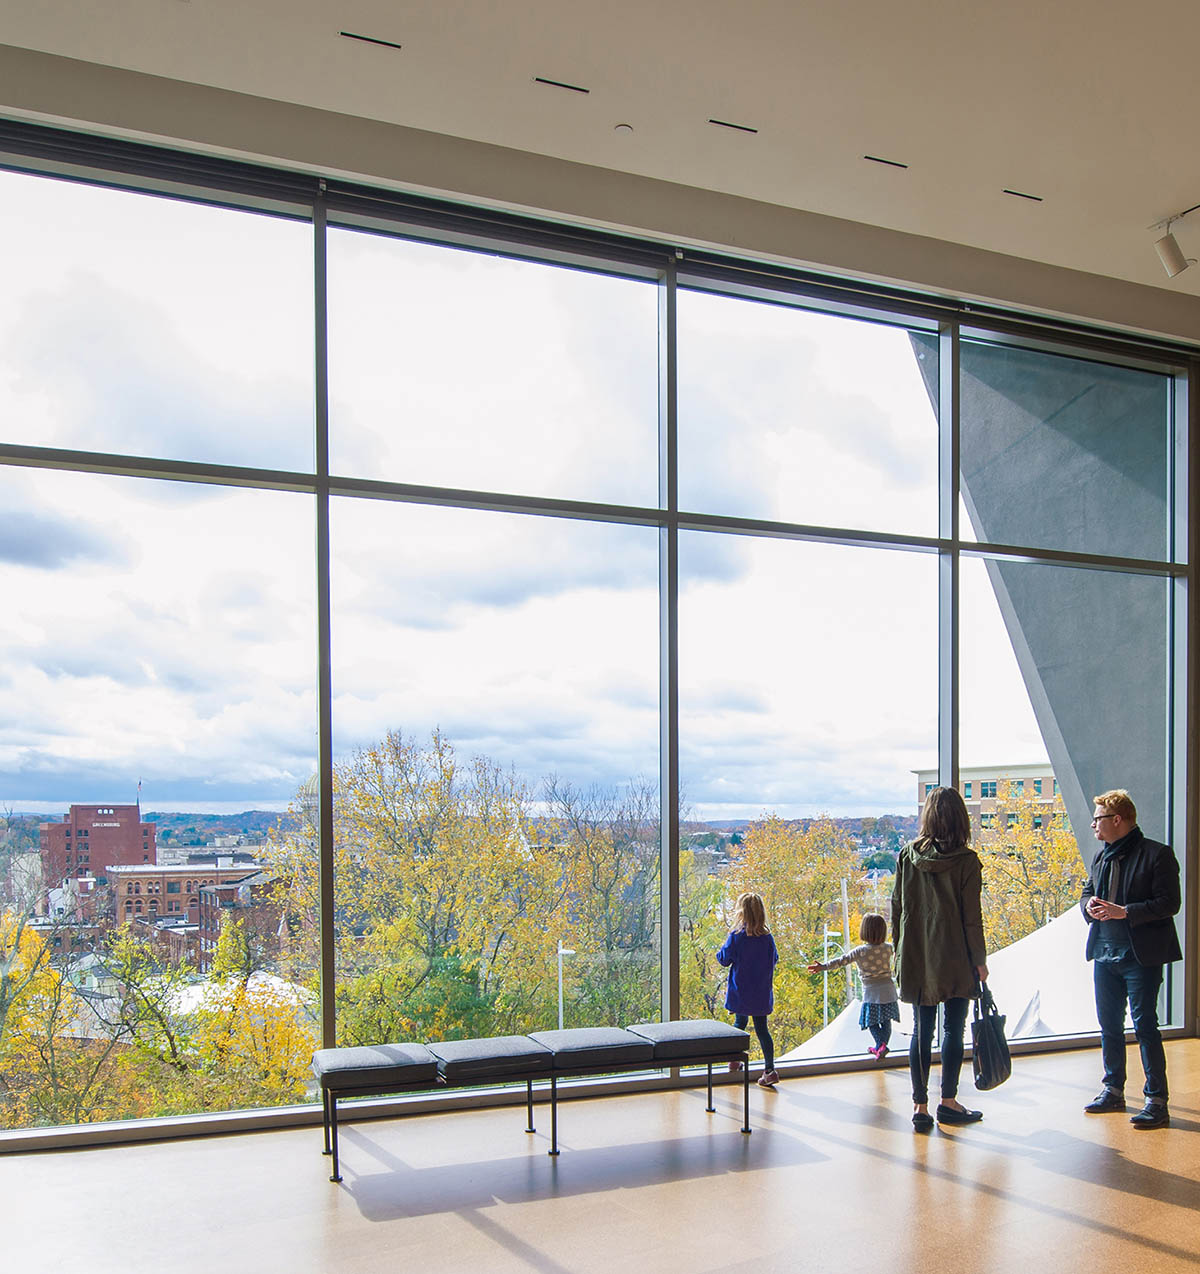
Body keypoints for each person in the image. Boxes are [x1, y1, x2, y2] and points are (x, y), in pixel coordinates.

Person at [1080, 788, 1181, 1129]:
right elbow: (1086, 891)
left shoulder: (1158, 855)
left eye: (1098, 819)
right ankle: (1113, 1089)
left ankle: (1156, 1099)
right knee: (1109, 1026)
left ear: (1117, 820)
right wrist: (1089, 906)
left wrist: (1125, 912)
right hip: (1104, 953)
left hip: (1141, 956)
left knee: (1145, 1026)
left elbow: (1170, 903)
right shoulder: (1100, 856)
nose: (1094, 826)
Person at [891, 785, 988, 1131]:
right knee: (953, 1029)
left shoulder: (906, 856)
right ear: (961, 819)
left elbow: (897, 908)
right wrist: (980, 961)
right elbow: (971, 918)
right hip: (956, 956)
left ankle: (920, 1107)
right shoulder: (966, 862)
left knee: (921, 1030)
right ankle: (948, 1102)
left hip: (917, 955)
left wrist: (899, 952)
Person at [808, 913, 899, 1058]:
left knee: (871, 1021)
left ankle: (880, 1045)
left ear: (864, 931)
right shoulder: (888, 948)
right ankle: (881, 1046)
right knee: (886, 1020)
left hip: (872, 992)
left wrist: (823, 967)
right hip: (888, 990)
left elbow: (841, 961)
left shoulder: (860, 951)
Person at [717, 892, 780, 1088]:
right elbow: (775, 959)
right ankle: (770, 1070)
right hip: (761, 991)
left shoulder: (737, 937)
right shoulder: (767, 938)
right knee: (762, 1030)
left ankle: (734, 1060)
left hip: (741, 991)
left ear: (741, 913)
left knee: (739, 1023)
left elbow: (724, 959)